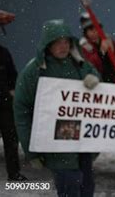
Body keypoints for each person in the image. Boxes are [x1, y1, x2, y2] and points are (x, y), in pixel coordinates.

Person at [14, 19, 100, 197]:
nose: (63, 46)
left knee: (86, 188)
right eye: (58, 42)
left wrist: (93, 78)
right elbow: (22, 111)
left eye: (66, 42)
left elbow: (94, 76)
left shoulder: (79, 64)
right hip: (55, 144)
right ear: (48, 44)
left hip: (82, 144)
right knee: (70, 185)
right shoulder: (34, 71)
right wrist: (32, 152)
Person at [0, 10, 27, 181]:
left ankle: (14, 174)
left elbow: (13, 77)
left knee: (11, 139)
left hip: (4, 104)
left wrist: (13, 92)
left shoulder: (3, 53)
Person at [79, 12, 115, 84]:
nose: (95, 32)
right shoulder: (85, 46)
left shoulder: (108, 41)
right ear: (86, 32)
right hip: (99, 82)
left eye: (97, 28)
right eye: (91, 29)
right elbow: (90, 65)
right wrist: (101, 53)